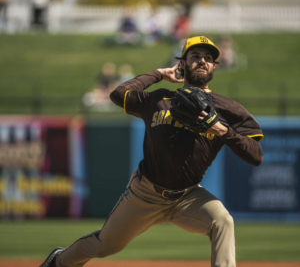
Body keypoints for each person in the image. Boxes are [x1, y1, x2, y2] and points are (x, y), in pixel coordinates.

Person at [40, 36, 264, 267]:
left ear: (215, 66)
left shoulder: (229, 109)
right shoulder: (160, 99)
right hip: (145, 193)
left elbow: (255, 155)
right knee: (105, 245)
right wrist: (159, 74)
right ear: (182, 63)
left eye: (208, 58)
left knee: (223, 221)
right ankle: (59, 261)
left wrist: (221, 129)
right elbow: (118, 94)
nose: (202, 61)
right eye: (195, 56)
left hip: (188, 196)